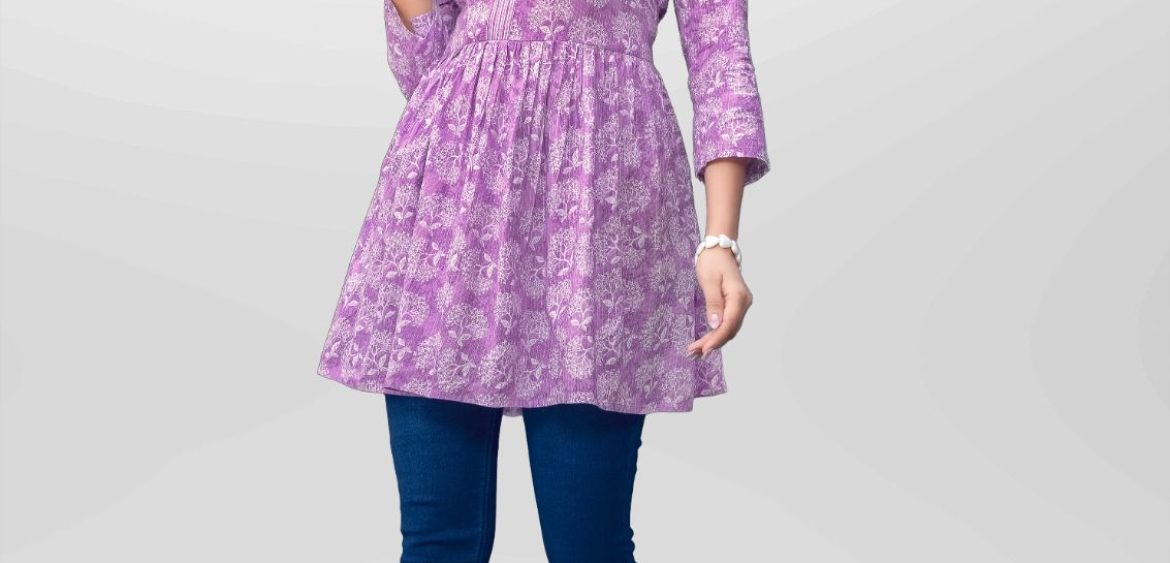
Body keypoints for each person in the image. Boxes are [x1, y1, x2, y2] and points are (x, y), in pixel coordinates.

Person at [317, 0, 770, 560]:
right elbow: (429, 64)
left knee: (588, 545)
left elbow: (721, 56)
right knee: (437, 541)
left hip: (602, 199)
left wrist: (721, 238)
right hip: (456, 198)